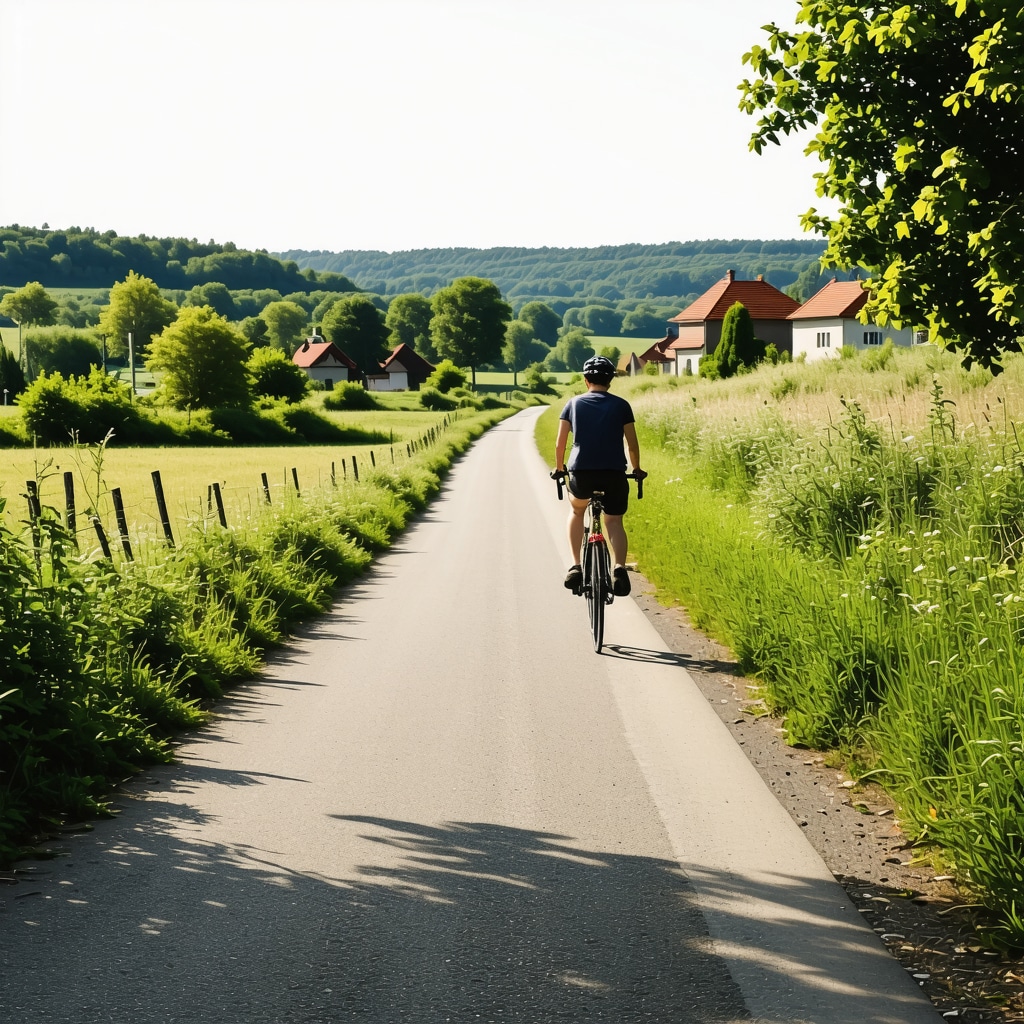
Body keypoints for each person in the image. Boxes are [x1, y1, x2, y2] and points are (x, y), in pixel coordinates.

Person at [553, 355, 645, 597]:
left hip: (581, 474)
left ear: (586, 380)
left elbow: (560, 443)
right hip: (614, 474)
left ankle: (575, 566)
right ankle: (619, 568)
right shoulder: (621, 405)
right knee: (613, 521)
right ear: (610, 381)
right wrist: (635, 469)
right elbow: (632, 445)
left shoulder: (572, 404)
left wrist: (559, 467)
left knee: (576, 511)